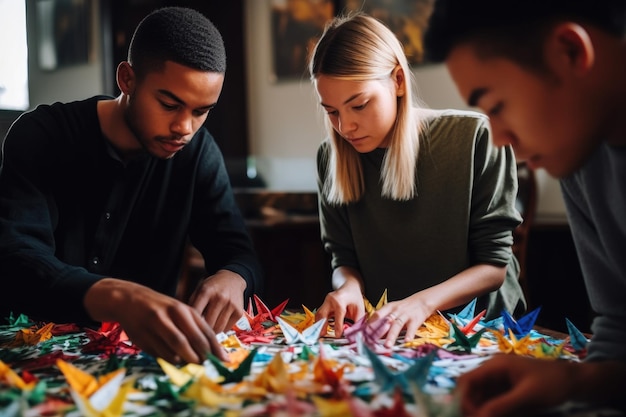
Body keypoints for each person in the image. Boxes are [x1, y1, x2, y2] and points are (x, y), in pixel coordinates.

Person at [0, 7, 263, 365]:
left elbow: (238, 252)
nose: (185, 128)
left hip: (140, 364)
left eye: (201, 111)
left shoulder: (198, 154)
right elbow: (17, 261)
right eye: (169, 104)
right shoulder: (43, 135)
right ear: (127, 79)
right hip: (28, 355)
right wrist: (120, 298)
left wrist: (234, 277)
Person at [423, 0, 626, 415]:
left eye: (496, 106)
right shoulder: (579, 157)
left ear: (570, 51)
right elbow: (619, 330)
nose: (499, 139)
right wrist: (574, 380)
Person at [309, 13, 525, 348]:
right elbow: (343, 258)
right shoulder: (330, 157)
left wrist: (422, 303)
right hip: (391, 337)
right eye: (332, 111)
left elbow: (494, 266)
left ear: (397, 80)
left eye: (360, 105)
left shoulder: (474, 137)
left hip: (484, 334)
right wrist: (348, 286)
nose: (345, 126)